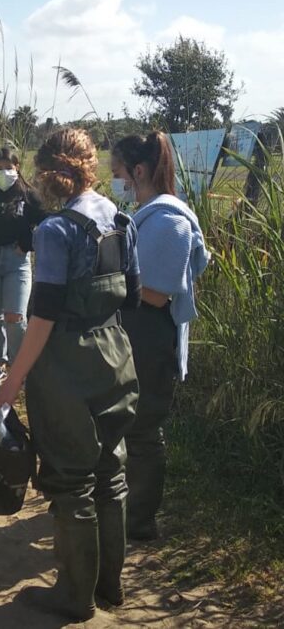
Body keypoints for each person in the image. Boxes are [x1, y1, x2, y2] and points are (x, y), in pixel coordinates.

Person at [0, 128, 140, 621]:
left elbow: (45, 316)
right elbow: (132, 297)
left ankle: (74, 596)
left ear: (55, 172)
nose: (33, 182)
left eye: (37, 173)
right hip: (116, 352)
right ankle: (109, 587)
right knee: (110, 472)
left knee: (72, 481)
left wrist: (10, 384)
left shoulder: (54, 231)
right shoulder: (122, 221)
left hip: (66, 364)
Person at [111, 131, 210, 541]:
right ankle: (122, 506)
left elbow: (156, 292)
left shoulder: (168, 221)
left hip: (151, 337)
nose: (115, 181)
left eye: (117, 173)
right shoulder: (147, 214)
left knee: (144, 428)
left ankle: (140, 520)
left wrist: (108, 283)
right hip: (135, 332)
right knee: (126, 425)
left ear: (138, 170)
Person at [0, 146, 46, 388]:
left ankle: (22, 368)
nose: (4, 172)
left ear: (17, 167)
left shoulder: (28, 195)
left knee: (15, 316)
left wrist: (27, 244)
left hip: (17, 261)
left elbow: (47, 225)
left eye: (9, 167)